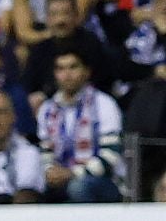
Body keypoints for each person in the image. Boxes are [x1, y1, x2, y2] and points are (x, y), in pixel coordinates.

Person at [35, 49, 123, 203]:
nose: (67, 74)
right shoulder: (47, 109)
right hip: (61, 179)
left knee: (78, 187)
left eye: (73, 67)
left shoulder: (103, 103)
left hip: (101, 181)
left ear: (86, 72)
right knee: (30, 188)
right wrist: (49, 171)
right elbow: (45, 151)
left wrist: (72, 173)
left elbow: (111, 155)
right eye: (61, 69)